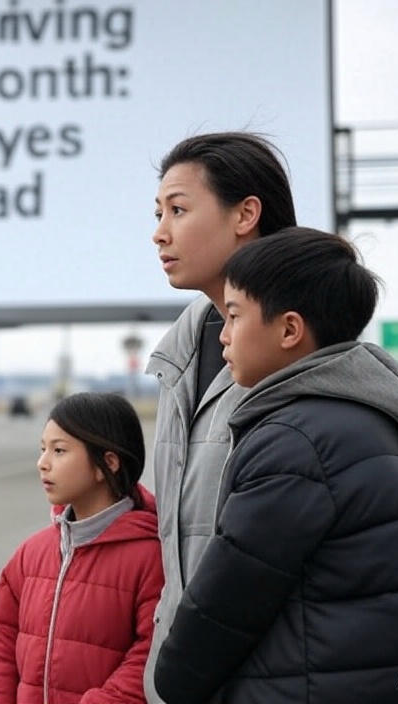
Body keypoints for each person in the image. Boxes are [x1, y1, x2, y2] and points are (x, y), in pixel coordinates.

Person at [154, 227, 398, 703]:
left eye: (235, 317)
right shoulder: (387, 423)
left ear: (289, 330)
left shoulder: (293, 441)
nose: (225, 338)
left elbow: (226, 604)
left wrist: (171, 682)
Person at [143, 132, 298, 702]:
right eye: (159, 213)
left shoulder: (300, 354)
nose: (160, 232)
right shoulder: (179, 359)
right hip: (187, 680)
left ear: (246, 215)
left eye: (179, 210)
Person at [0, 392, 164, 704]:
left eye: (59, 451)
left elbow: (151, 654)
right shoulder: (28, 556)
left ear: (108, 463)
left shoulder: (151, 558)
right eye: (42, 449)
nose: (42, 463)